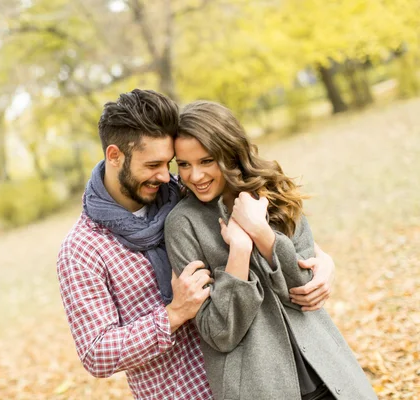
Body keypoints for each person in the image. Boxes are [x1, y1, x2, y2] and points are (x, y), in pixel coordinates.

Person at [57, 89, 335, 399]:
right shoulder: (82, 250)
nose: (166, 176)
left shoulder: (187, 190)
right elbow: (96, 352)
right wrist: (174, 314)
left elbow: (268, 232)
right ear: (114, 156)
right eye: (152, 165)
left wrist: (320, 259)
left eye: (169, 163)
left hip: (257, 379)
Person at [165, 100, 376, 399]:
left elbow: (306, 289)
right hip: (259, 389)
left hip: (330, 374)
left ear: (229, 152)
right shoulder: (182, 224)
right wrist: (239, 250)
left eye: (206, 160)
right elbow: (219, 332)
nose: (195, 176)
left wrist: (262, 235)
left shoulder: (272, 191)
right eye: (184, 164)